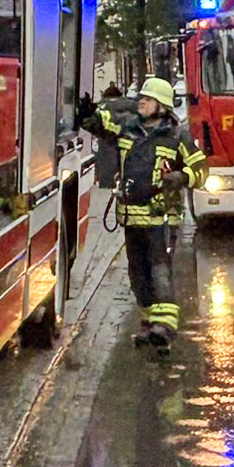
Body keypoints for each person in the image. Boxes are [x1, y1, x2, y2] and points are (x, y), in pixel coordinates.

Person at [79, 77, 207, 352]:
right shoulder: (128, 129)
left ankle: (166, 329)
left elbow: (201, 171)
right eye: (142, 99)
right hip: (131, 217)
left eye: (147, 100)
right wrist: (88, 112)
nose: (142, 102)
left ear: (161, 106)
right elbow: (101, 127)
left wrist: (179, 176)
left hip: (160, 217)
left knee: (159, 270)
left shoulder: (177, 136)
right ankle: (150, 326)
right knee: (138, 273)